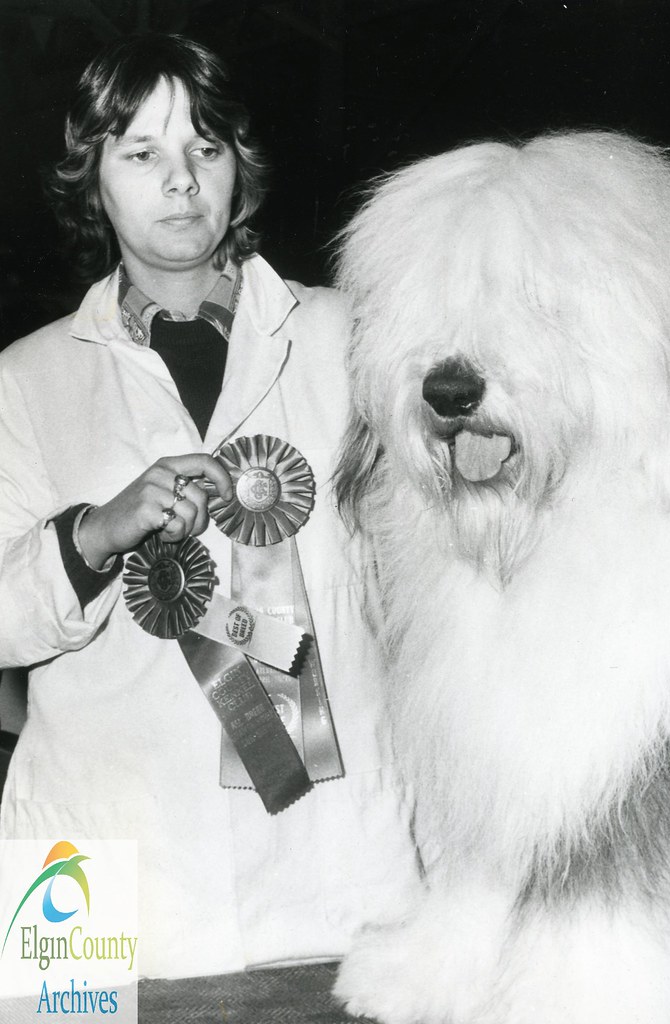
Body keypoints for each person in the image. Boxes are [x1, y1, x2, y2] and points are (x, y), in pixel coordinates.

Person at [0, 33, 418, 980]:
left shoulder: (356, 339)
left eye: (206, 147)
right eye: (140, 153)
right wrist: (94, 536)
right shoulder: (22, 381)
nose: (180, 180)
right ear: (91, 180)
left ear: (240, 166)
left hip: (332, 868)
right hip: (86, 877)